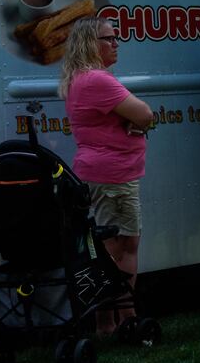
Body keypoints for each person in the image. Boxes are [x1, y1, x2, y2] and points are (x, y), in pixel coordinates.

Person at [60, 17, 155, 336]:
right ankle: (125, 318)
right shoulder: (97, 80)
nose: (116, 44)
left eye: (116, 38)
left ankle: (107, 322)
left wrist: (131, 121)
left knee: (106, 250)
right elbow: (145, 114)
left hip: (98, 173)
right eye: (109, 39)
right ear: (90, 44)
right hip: (113, 176)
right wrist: (137, 122)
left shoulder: (79, 79)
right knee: (124, 247)